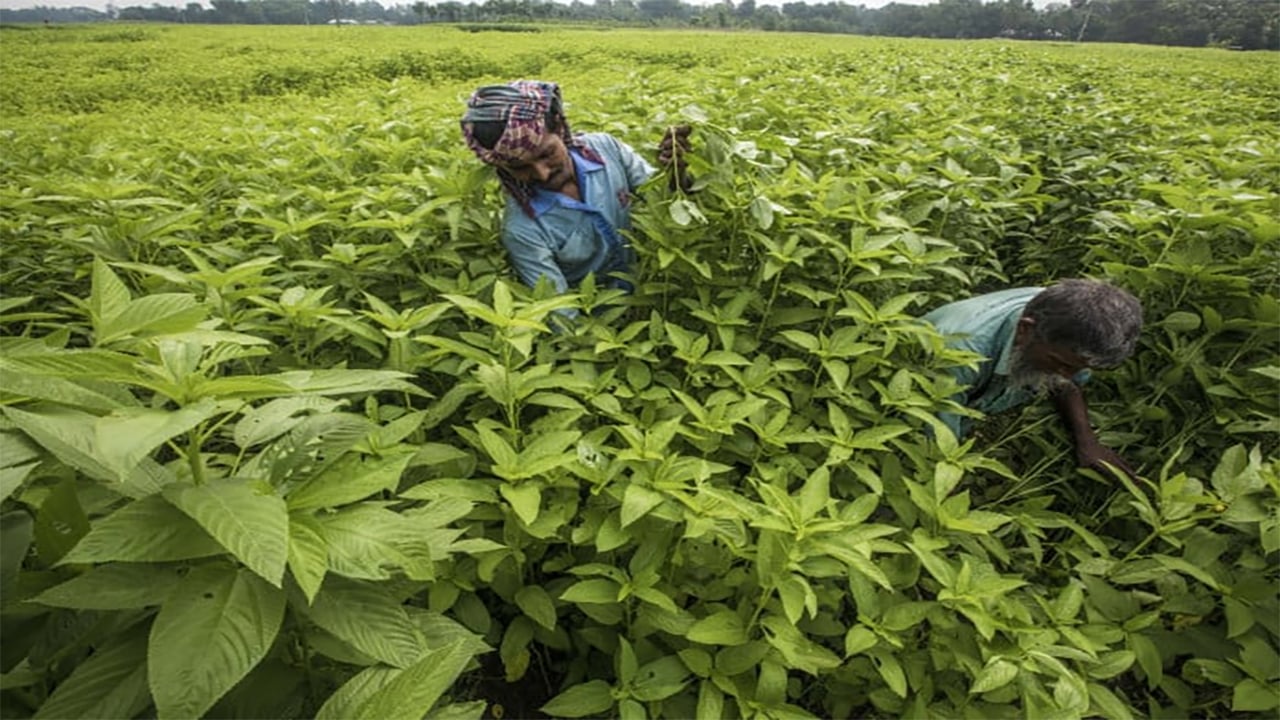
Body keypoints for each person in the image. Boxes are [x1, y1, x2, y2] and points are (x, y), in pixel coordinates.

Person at [460, 80, 689, 297]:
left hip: (650, 290)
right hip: (598, 318)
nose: (542, 173)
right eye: (520, 168)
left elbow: (664, 203)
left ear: (559, 127)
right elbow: (560, 312)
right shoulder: (522, 229)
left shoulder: (606, 149)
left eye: (546, 154)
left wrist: (675, 173)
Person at [922, 279, 1143, 477]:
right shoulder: (956, 354)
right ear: (1025, 330)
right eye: (1062, 364)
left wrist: (1086, 439)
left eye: (1079, 368)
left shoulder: (1066, 323)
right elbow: (938, 449)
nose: (1068, 375)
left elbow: (1068, 382)